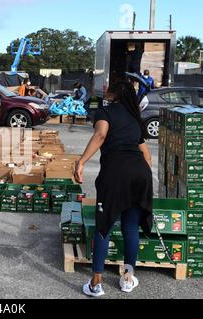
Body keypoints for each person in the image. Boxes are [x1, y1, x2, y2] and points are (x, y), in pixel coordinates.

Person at [74, 79, 153, 297]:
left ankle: (96, 283)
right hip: (140, 174)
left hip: (115, 175)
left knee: (104, 226)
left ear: (115, 93)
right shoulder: (134, 118)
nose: (105, 90)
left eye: (109, 87)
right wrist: (139, 178)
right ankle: (128, 278)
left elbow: (100, 135)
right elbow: (147, 156)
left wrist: (80, 162)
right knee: (130, 227)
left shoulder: (105, 112)